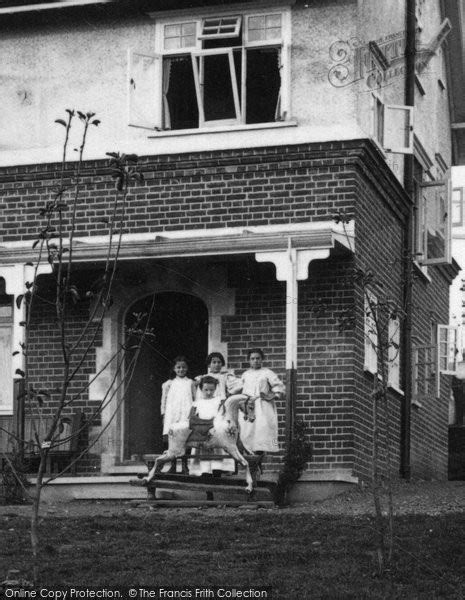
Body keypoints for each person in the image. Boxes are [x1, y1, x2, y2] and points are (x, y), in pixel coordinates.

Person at [238, 348, 285, 454]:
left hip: (262, 406)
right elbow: (238, 388)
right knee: (247, 432)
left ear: (262, 359)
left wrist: (272, 396)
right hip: (248, 406)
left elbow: (279, 386)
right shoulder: (245, 374)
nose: (255, 361)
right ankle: (251, 462)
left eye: (258, 358)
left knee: (262, 431)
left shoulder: (267, 372)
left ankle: (259, 460)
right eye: (252, 359)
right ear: (249, 360)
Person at [189, 375, 235, 475]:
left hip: (215, 432)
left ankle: (217, 472)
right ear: (201, 389)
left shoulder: (219, 402)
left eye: (211, 390)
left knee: (217, 457)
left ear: (215, 389)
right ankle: (205, 475)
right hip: (202, 433)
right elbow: (192, 419)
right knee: (204, 460)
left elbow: (223, 417)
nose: (209, 392)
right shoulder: (197, 403)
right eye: (206, 390)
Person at [161, 356, 196, 473]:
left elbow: (195, 399)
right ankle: (173, 464)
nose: (181, 370)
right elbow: (164, 400)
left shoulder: (190, 382)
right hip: (172, 414)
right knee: (173, 439)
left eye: (184, 367)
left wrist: (194, 413)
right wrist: (163, 414)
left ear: (187, 368)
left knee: (186, 439)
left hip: (186, 413)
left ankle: (185, 465)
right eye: (178, 367)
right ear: (174, 369)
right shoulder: (168, 384)